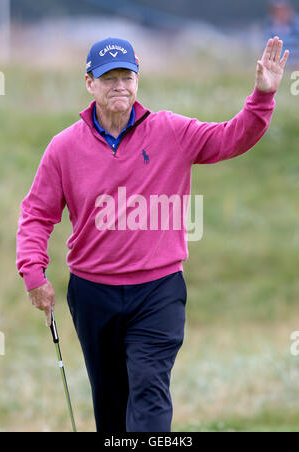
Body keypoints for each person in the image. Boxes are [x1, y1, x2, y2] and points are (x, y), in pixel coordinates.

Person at [16, 36, 289, 432]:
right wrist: (33, 272)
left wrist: (262, 96)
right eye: (109, 78)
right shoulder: (64, 148)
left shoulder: (169, 130)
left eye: (126, 76)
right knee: (112, 405)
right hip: (93, 293)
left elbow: (231, 137)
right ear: (89, 83)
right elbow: (37, 214)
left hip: (158, 290)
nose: (119, 86)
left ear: (138, 77)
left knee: (148, 392)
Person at [265, 1, 299, 68]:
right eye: (277, 10)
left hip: (294, 63)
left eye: (283, 9)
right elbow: (266, 45)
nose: (280, 13)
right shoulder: (270, 24)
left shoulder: (295, 23)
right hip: (277, 64)